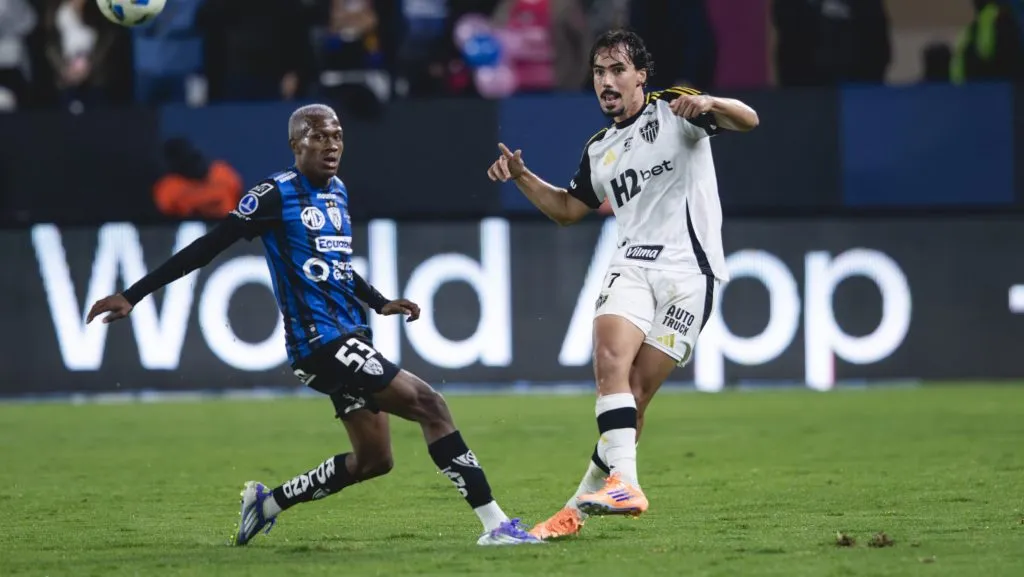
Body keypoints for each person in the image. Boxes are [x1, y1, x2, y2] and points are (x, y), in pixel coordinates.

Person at [87, 104, 542, 547]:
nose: (331, 144)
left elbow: (336, 263)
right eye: (318, 136)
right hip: (320, 341)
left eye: (337, 135)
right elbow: (207, 247)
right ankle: (496, 525)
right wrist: (133, 294)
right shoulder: (272, 195)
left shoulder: (338, 190)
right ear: (294, 144)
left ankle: (267, 505)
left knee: (374, 460)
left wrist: (379, 302)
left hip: (349, 335)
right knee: (431, 404)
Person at [485, 29, 758, 539]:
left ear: (640, 75)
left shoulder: (675, 110)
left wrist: (710, 102)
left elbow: (749, 120)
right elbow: (569, 210)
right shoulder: (600, 149)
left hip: (688, 274)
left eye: (616, 70)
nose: (606, 82)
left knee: (633, 395)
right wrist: (523, 177)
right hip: (630, 265)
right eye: (598, 73)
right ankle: (626, 484)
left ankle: (576, 508)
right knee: (609, 360)